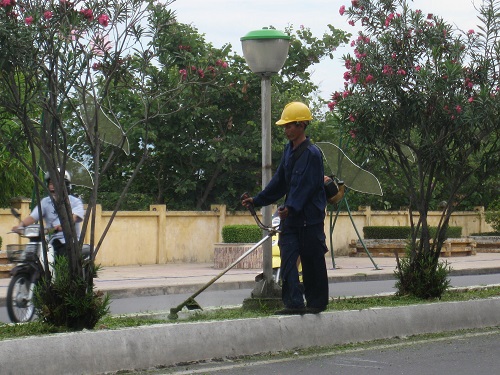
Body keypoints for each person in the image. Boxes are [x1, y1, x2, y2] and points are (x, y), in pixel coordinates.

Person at [242, 101, 329, 315]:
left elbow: (306, 187)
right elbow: (280, 182)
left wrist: (290, 207)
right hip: (291, 219)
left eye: (290, 126)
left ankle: (316, 303)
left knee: (312, 262)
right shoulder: (288, 152)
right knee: (288, 259)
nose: (287, 130)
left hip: (310, 219)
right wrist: (257, 200)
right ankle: (293, 303)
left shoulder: (312, 154)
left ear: (301, 125)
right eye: (285, 126)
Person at [12, 170, 84, 258]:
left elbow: (74, 217)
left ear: (65, 185)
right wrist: (20, 225)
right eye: (51, 183)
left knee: (61, 259)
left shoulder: (75, 202)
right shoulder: (45, 202)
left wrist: (64, 225)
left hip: (70, 242)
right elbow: (33, 217)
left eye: (57, 183)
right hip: (52, 242)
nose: (53, 186)